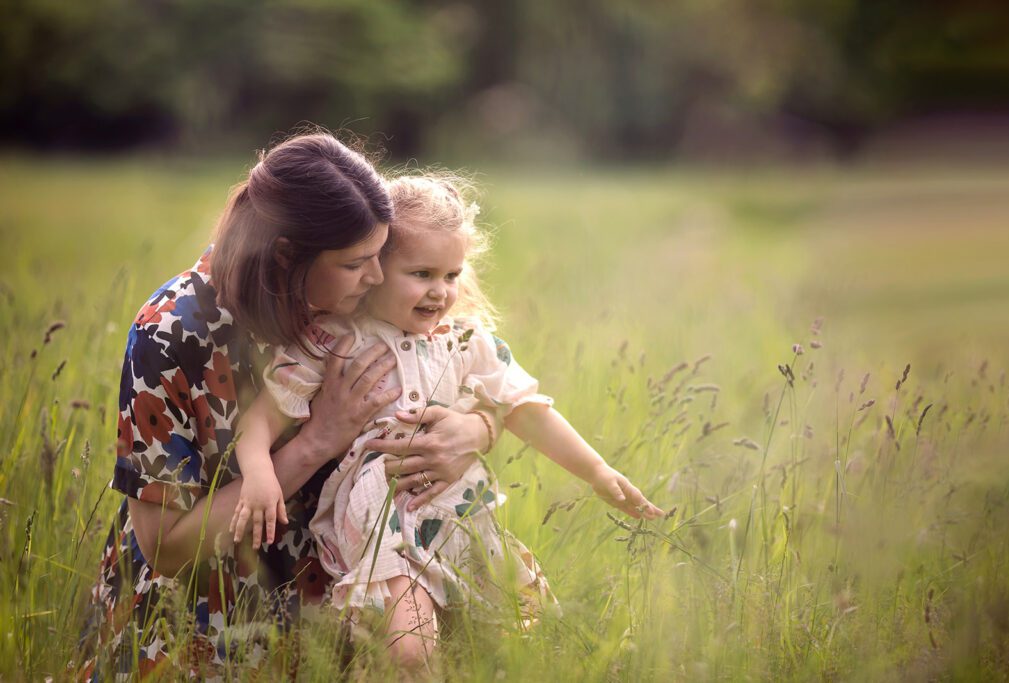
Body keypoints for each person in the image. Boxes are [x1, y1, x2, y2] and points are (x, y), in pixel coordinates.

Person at [80, 133, 498, 679]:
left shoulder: (350, 302)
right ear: (285, 257)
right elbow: (165, 547)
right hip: (202, 621)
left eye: (379, 259)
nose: (375, 277)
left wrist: (475, 430)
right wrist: (316, 441)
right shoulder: (172, 332)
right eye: (356, 264)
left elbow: (471, 369)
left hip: (343, 591)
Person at [229, 174, 664, 673]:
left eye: (452, 276)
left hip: (462, 514)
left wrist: (597, 472)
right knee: (410, 647)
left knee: (515, 636)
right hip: (384, 518)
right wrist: (259, 473)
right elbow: (259, 420)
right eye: (421, 274)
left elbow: (527, 410)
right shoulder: (335, 339)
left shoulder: (466, 341)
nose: (440, 292)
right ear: (374, 270)